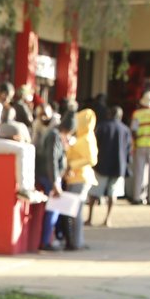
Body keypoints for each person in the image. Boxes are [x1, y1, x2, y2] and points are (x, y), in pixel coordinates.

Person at [34, 117, 74, 252]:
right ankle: (45, 241)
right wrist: (55, 182)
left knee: (53, 210)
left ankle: (48, 239)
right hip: (49, 178)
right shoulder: (54, 136)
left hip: (50, 177)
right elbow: (51, 160)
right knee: (53, 210)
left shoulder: (53, 134)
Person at [87, 106, 131, 227]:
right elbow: (128, 149)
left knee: (94, 193)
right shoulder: (125, 130)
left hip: (101, 164)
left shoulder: (102, 127)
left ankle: (90, 218)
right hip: (118, 166)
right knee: (113, 193)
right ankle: (108, 219)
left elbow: (94, 144)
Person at [62, 108, 97, 251]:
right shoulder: (82, 137)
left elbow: (91, 159)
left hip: (80, 178)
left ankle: (77, 241)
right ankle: (76, 240)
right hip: (76, 178)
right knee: (74, 211)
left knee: (76, 211)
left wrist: (71, 165)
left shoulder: (86, 138)